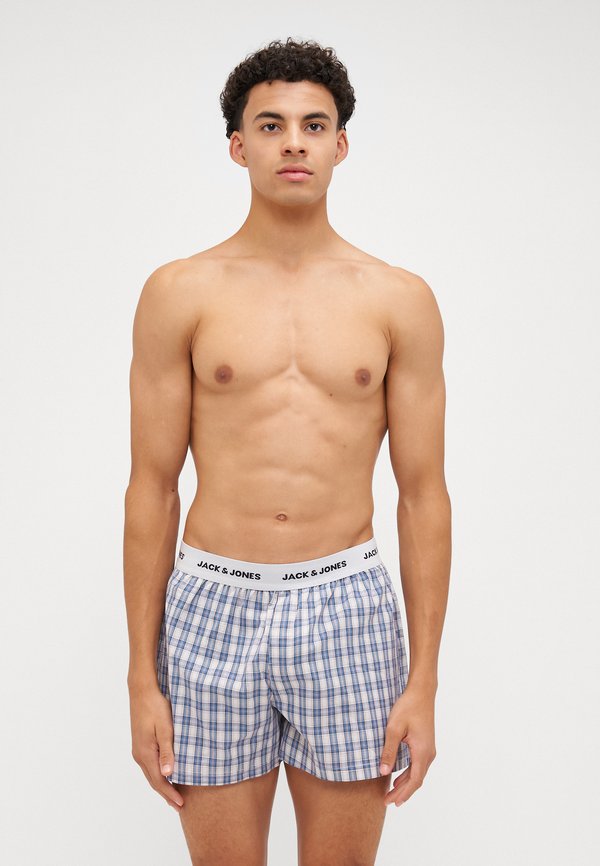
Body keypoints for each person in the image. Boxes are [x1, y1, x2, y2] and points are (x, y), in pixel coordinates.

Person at [124, 36, 451, 866]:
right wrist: (140, 675)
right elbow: (152, 488)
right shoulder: (179, 292)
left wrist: (424, 679)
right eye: (271, 125)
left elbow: (424, 496)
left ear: (342, 144)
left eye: (314, 125)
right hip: (210, 606)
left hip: (345, 606)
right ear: (239, 146)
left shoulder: (399, 299)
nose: (294, 143)